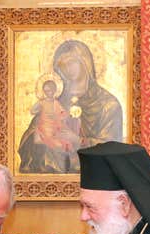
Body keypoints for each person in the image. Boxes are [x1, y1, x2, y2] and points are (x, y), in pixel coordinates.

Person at [18, 40, 123, 174]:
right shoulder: (54, 102)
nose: (68, 69)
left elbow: (113, 149)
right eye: (62, 65)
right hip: (54, 181)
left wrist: (78, 140)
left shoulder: (108, 104)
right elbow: (30, 139)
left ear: (86, 63)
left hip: (96, 179)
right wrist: (42, 136)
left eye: (72, 62)